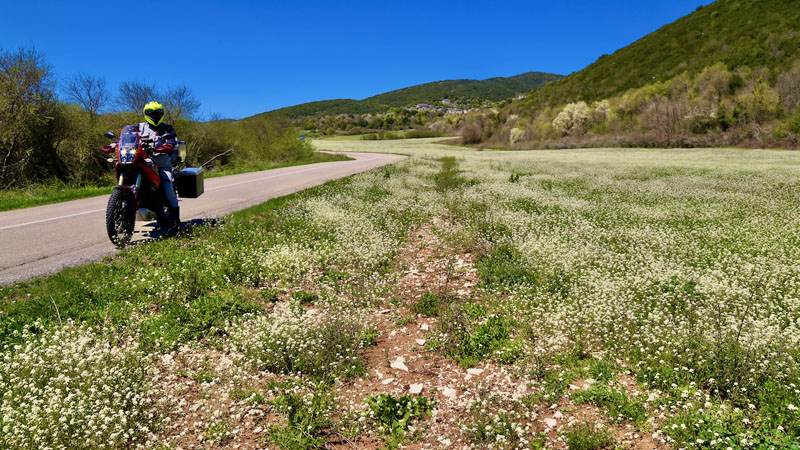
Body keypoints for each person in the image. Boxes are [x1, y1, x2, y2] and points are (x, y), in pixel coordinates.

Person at [138, 101, 180, 228]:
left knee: (168, 186)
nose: (155, 116)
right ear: (146, 114)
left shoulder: (167, 128)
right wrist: (116, 142)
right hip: (143, 162)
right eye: (151, 113)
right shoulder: (139, 127)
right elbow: (128, 137)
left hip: (162, 162)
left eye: (158, 113)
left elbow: (172, 139)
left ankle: (175, 218)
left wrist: (168, 145)